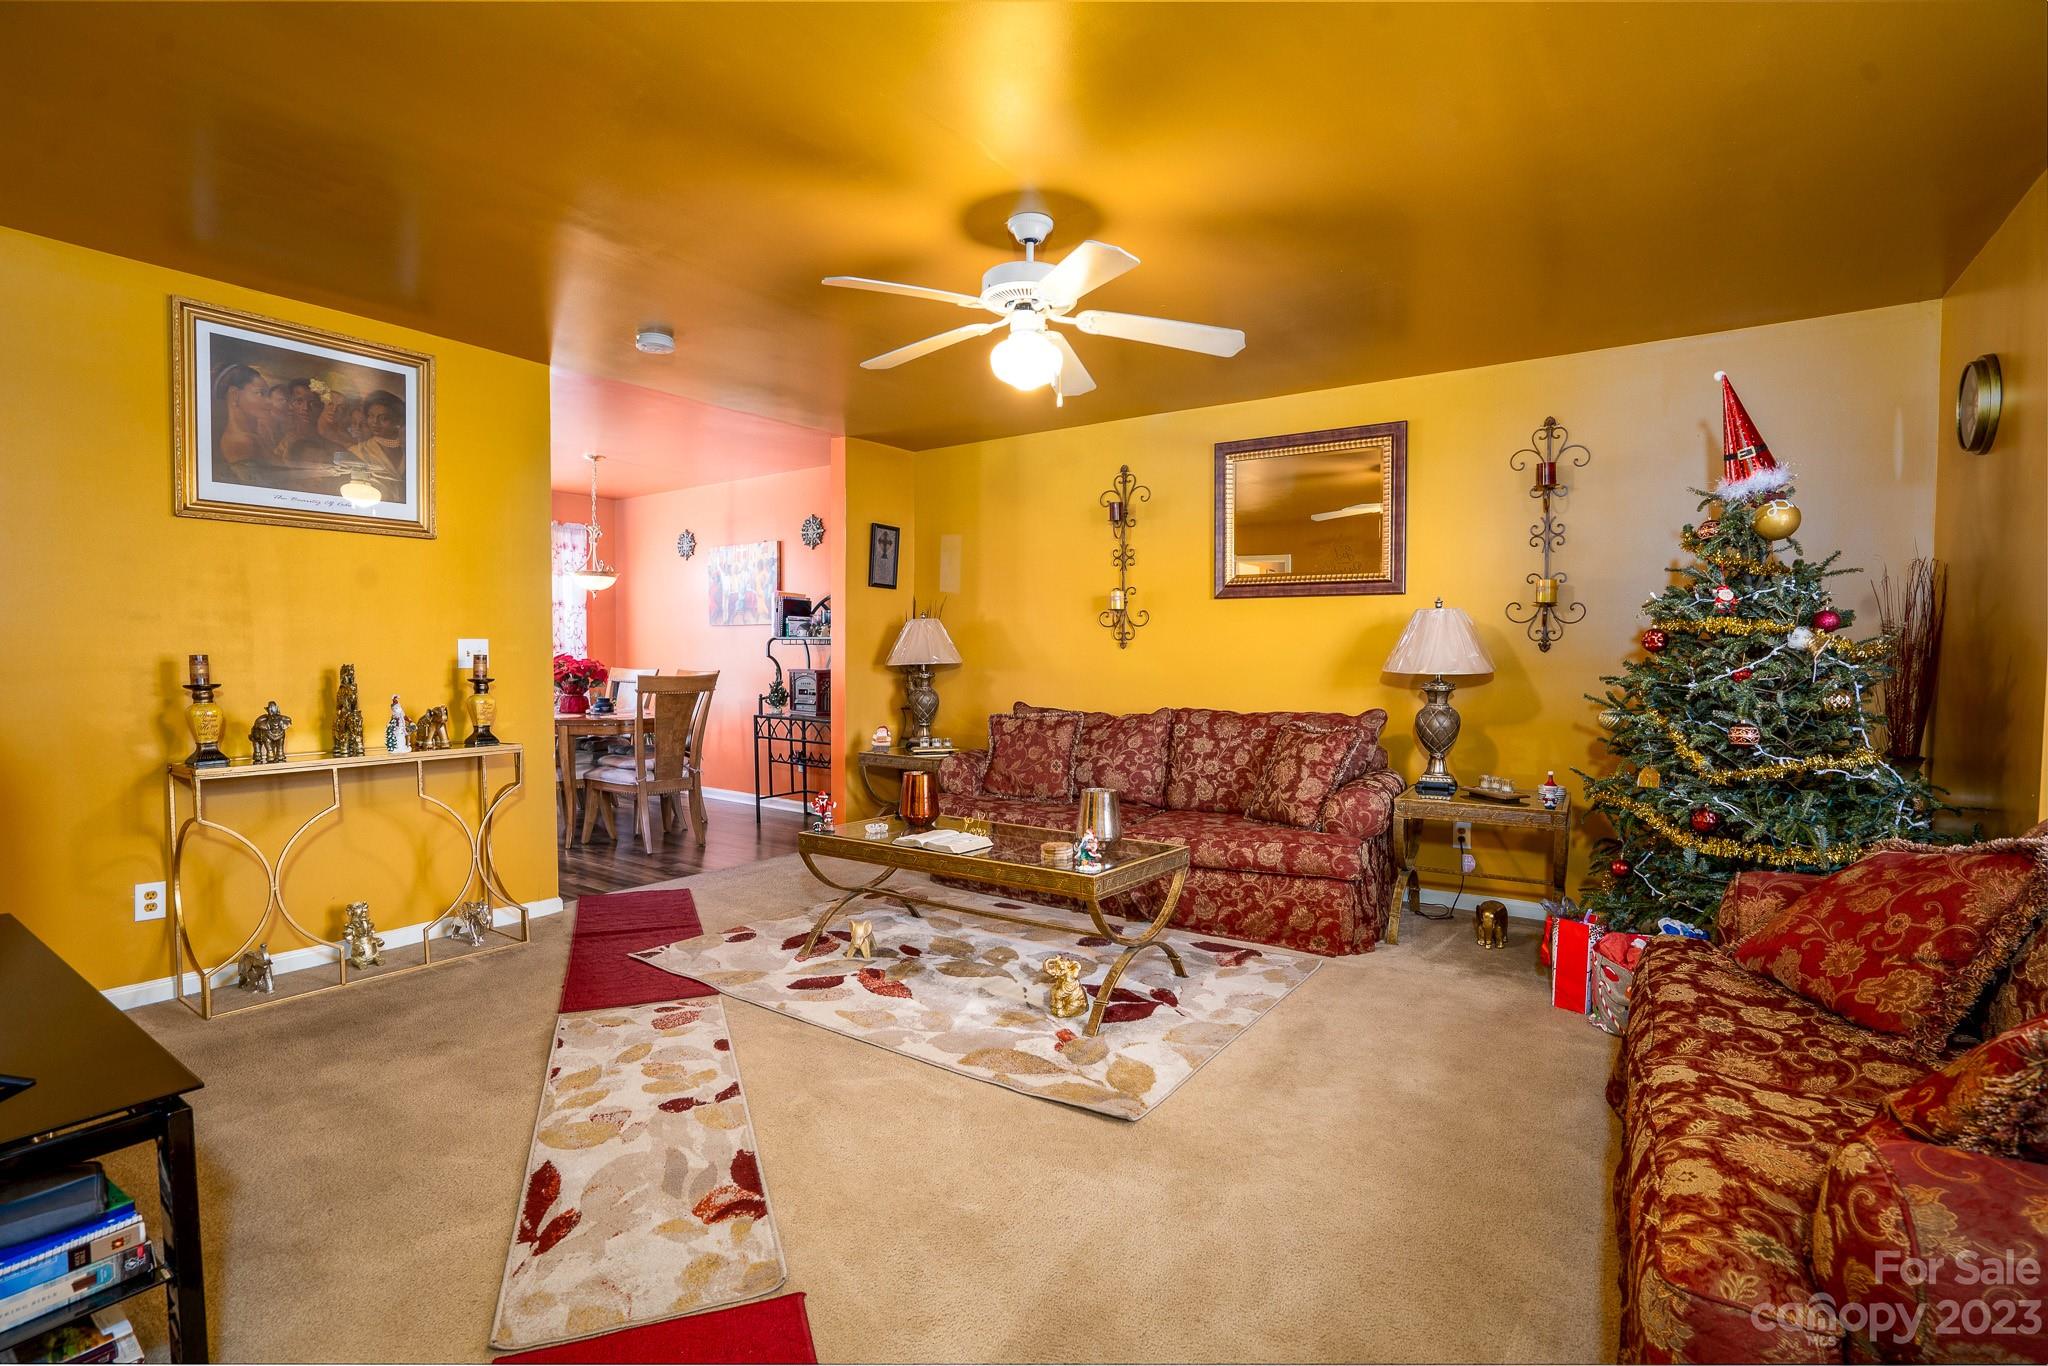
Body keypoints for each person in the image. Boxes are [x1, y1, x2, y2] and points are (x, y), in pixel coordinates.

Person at [211, 363, 272, 475]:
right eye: (260, 393)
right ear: (235, 395)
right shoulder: (242, 443)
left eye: (268, 395)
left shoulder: (255, 436)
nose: (269, 402)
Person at [351, 389, 406, 474]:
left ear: (397, 421)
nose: (375, 422)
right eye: (371, 416)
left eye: (383, 418)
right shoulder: (360, 451)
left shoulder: (409, 448)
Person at [274, 378, 326, 458]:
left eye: (313, 403)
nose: (305, 408)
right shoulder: (286, 441)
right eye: (299, 401)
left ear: (321, 407)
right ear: (291, 405)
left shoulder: (325, 440)